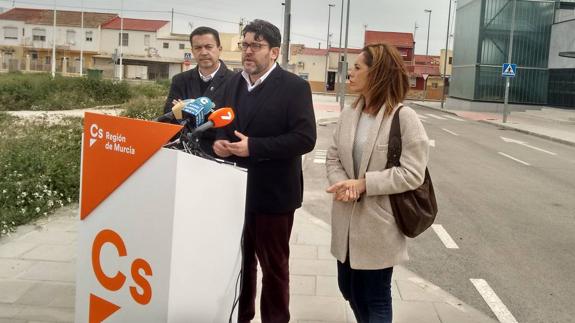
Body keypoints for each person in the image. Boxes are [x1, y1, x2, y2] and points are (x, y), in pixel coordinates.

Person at [212, 19, 316, 323]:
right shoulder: (232, 83)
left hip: (274, 195)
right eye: (244, 44)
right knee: (240, 266)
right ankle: (240, 317)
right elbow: (222, 125)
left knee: (274, 268)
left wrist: (254, 147)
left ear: (274, 52)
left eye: (255, 46)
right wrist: (219, 141)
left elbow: (305, 138)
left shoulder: (294, 87)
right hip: (235, 192)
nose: (247, 51)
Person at [325, 43, 430, 322]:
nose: (351, 73)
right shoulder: (350, 113)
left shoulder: (403, 117)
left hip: (378, 225)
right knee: (348, 289)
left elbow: (412, 173)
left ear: (378, 73)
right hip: (345, 222)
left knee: (376, 298)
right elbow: (333, 158)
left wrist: (363, 184)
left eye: (358, 68)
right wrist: (342, 184)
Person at [164, 26, 235, 153]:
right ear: (192, 51)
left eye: (209, 47)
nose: (203, 52)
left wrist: (187, 110)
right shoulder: (180, 80)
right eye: (198, 48)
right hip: (184, 152)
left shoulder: (236, 81)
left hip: (219, 154)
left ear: (219, 49)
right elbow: (169, 119)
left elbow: (235, 123)